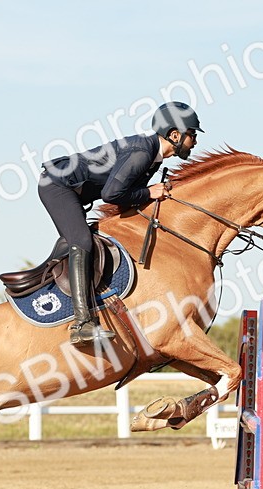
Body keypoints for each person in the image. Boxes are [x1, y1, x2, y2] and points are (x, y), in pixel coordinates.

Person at [38, 101, 203, 345]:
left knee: (87, 239)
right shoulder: (143, 153)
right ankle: (82, 325)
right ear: (175, 134)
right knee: (82, 241)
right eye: (192, 134)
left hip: (73, 190)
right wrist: (148, 193)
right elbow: (112, 194)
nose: (195, 141)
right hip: (57, 186)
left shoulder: (153, 158)